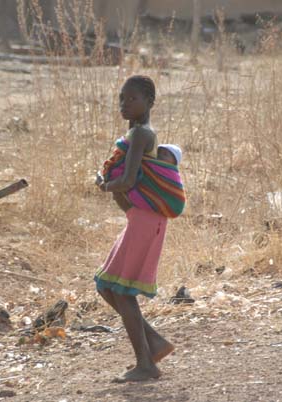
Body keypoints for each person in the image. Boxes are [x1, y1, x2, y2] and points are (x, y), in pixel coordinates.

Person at [94, 75, 176, 382]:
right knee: (106, 286)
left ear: (150, 103)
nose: (124, 104)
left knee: (120, 290)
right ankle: (153, 344)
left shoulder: (142, 134)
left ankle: (146, 365)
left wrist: (105, 186)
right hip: (139, 218)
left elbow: (128, 181)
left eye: (132, 99)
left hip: (145, 219)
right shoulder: (135, 133)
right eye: (121, 99)